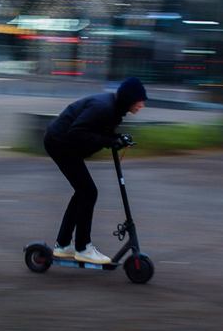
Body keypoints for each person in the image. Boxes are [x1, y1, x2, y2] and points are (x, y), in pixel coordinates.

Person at [43, 77, 148, 264]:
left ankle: (63, 244)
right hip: (59, 142)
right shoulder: (103, 107)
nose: (142, 104)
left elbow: (99, 131)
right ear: (129, 98)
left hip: (64, 143)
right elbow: (76, 133)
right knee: (88, 192)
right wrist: (109, 141)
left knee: (84, 192)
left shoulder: (115, 109)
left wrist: (117, 138)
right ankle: (83, 248)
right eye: (140, 100)